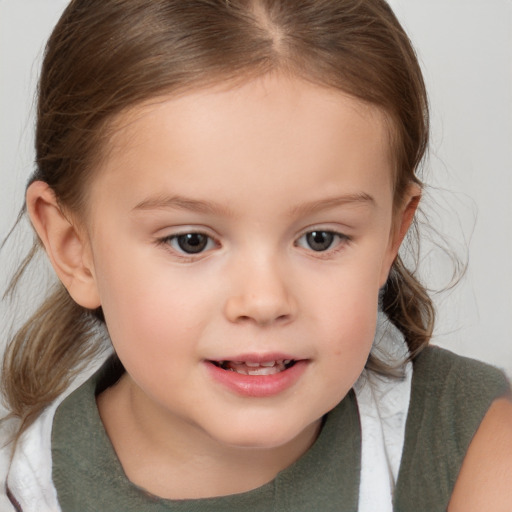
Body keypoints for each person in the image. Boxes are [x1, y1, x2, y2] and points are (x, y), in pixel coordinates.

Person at [1, 0, 511, 510]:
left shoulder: (475, 445)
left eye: (320, 238)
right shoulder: (23, 490)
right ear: (74, 248)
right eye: (191, 241)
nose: (264, 302)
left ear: (391, 237)